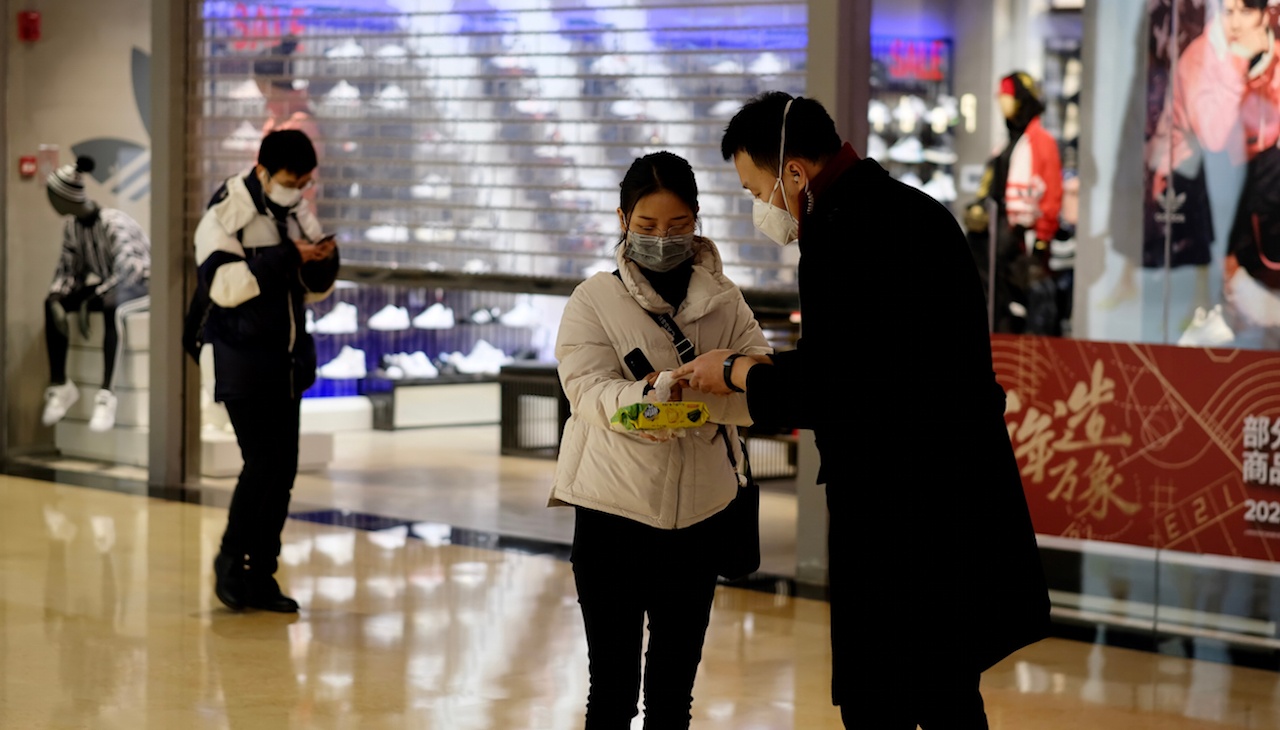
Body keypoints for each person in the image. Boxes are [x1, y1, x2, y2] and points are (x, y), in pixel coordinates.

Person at [672, 92, 1050, 728]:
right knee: (948, 691)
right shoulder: (914, 211)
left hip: (898, 515)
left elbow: (836, 386)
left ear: (794, 171)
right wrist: (758, 370)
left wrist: (738, 372)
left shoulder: (842, 232)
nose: (759, 207)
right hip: (953, 500)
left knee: (882, 699)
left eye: (754, 187)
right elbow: (869, 361)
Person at [549, 151, 770, 729]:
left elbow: (760, 382)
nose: (662, 239)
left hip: (700, 516)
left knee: (673, 694)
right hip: (612, 514)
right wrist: (647, 396)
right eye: (647, 227)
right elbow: (588, 393)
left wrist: (711, 388)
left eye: (676, 226)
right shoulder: (593, 300)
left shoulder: (726, 300)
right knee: (613, 690)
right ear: (623, 219)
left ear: (696, 221)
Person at [196, 129, 339, 612]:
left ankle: (262, 576)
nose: (297, 188)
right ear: (262, 171)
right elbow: (225, 286)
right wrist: (284, 257)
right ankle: (230, 565)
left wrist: (321, 262)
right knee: (262, 465)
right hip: (243, 360)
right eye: (288, 179)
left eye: (304, 181)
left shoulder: (296, 210)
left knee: (283, 473)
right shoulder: (227, 212)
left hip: (288, 361)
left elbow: (308, 289)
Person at [41, 155, 151, 433]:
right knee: (53, 303)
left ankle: (107, 394)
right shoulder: (73, 228)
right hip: (109, 283)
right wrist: (58, 298)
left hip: (141, 283)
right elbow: (69, 271)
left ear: (67, 197)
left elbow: (130, 271)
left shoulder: (114, 223)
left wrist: (94, 297)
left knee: (113, 307)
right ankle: (60, 384)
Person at [965, 71, 1063, 334]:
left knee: (1016, 300)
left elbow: (1052, 194)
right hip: (994, 235)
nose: (1001, 101)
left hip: (1019, 240)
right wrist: (977, 208)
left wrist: (1042, 239)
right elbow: (990, 185)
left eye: (1006, 95)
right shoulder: (1006, 143)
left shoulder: (1042, 142)